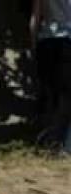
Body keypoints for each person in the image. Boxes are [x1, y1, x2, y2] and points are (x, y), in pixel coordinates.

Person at [32, 0, 71, 154]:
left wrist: (34, 46)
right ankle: (61, 144)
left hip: (46, 41)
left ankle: (48, 141)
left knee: (51, 94)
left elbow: (35, 18)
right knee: (66, 96)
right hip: (67, 41)